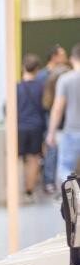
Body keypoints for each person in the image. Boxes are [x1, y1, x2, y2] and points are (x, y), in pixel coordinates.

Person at [46, 41, 80, 186]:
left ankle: (74, 205)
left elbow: (58, 108)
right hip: (71, 132)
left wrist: (51, 132)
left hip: (71, 131)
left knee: (66, 169)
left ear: (72, 59)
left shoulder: (65, 79)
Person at [17, 53, 48, 198]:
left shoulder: (16, 88)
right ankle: (29, 190)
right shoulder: (41, 88)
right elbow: (46, 107)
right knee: (34, 158)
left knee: (17, 158)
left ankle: (16, 189)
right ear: (37, 69)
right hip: (36, 127)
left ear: (23, 67)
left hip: (20, 127)